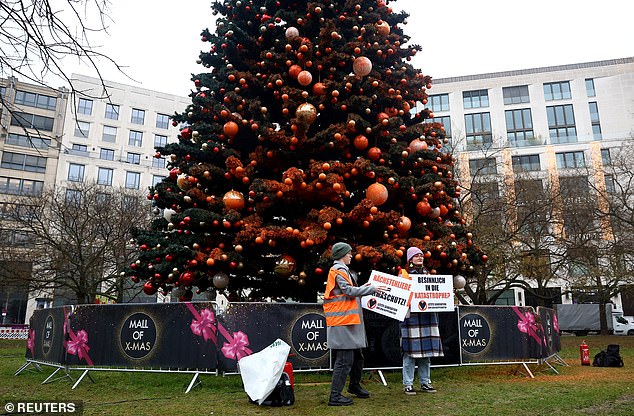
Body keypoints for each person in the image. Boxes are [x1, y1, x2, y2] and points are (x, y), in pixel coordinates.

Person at [323, 242, 386, 406]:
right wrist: (371, 289)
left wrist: (364, 287)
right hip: (343, 322)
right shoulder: (338, 270)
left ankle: (354, 386)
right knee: (344, 360)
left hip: (347, 322)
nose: (351, 255)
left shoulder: (341, 270)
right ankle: (335, 396)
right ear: (342, 254)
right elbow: (348, 292)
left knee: (357, 357)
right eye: (349, 253)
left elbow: (349, 289)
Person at [398, 247, 444, 395]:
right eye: (416, 256)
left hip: (427, 316)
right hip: (410, 316)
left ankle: (425, 382)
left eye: (421, 256)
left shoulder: (428, 274)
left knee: (426, 351)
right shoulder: (403, 274)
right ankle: (408, 384)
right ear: (410, 259)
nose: (420, 258)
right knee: (410, 352)